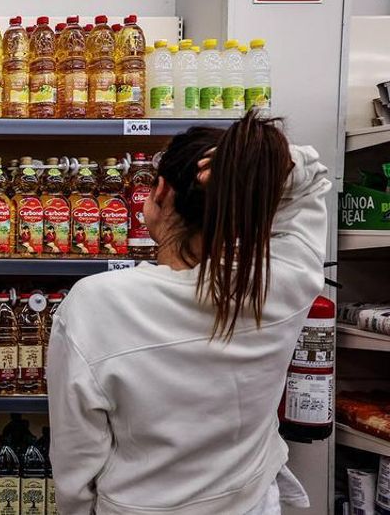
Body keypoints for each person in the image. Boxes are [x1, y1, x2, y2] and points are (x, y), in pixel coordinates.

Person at [47, 110, 329, 515]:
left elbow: (77, 462)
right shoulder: (276, 285)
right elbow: (312, 179)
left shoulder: (97, 304)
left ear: (160, 192)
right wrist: (247, 173)